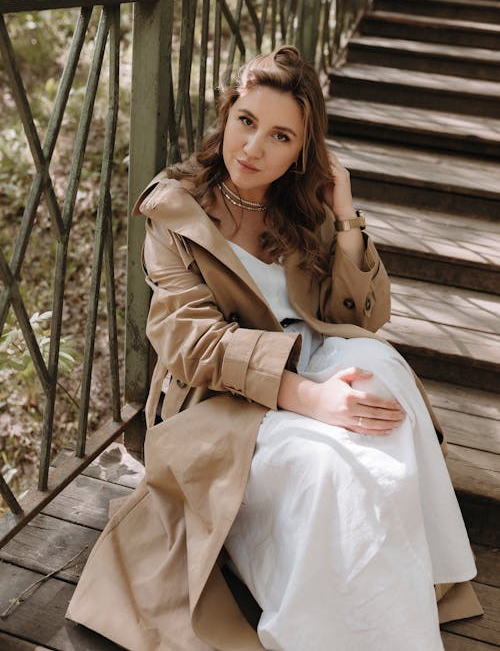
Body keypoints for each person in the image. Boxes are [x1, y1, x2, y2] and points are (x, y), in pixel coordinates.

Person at [67, 45, 482, 651]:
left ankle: (385, 611)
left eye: (281, 136)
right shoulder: (176, 209)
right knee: (326, 469)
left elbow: (362, 316)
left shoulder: (300, 203)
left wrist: (344, 218)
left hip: (316, 355)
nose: (254, 148)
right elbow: (188, 340)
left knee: (384, 386)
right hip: (225, 397)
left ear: (301, 151)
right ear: (227, 112)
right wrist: (305, 397)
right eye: (246, 121)